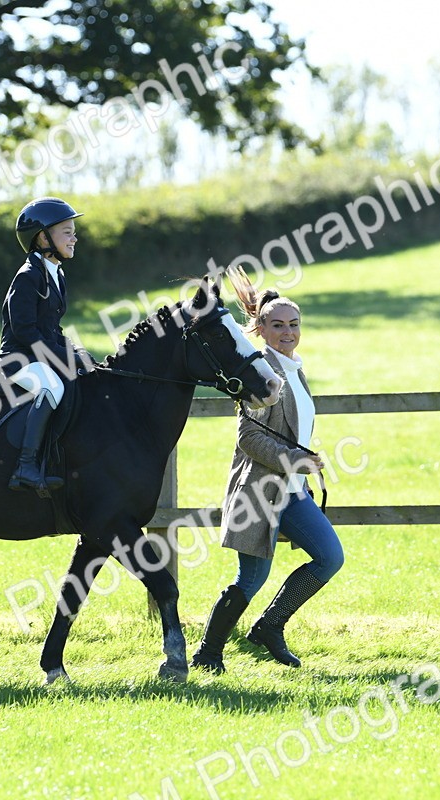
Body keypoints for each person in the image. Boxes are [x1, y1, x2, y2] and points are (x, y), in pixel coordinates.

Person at [190, 274, 344, 672]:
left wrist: (303, 461)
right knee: (251, 579)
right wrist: (295, 459)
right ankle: (208, 654)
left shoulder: (294, 367)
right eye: (278, 325)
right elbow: (249, 438)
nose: (288, 332)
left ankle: (269, 627)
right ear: (259, 329)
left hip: (294, 493)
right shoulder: (263, 373)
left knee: (329, 558)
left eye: (294, 324)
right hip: (259, 492)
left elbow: (289, 428)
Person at [0, 196, 90, 494]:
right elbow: (24, 330)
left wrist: (74, 352)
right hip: (17, 358)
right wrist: (59, 357)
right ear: (42, 237)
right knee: (53, 386)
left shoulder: (56, 275)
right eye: (67, 232)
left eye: (73, 231)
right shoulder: (27, 277)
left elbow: (52, 327)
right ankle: (25, 465)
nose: (74, 238)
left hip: (37, 355)